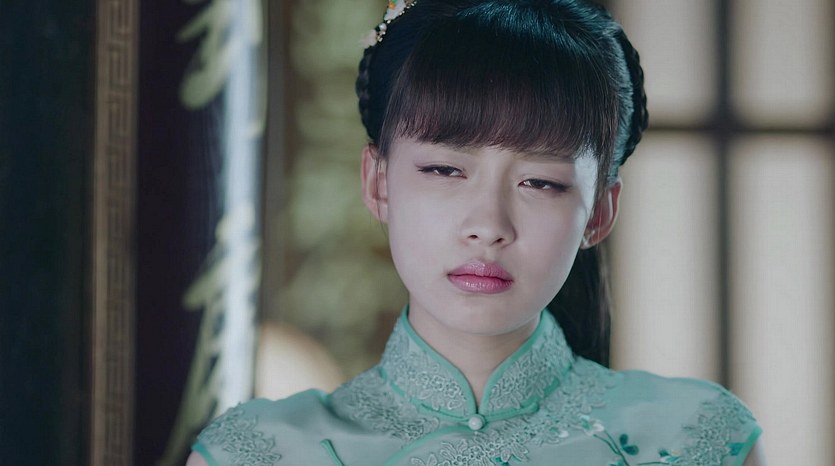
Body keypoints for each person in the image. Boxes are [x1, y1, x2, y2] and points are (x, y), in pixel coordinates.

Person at [187, 0, 765, 464]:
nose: (488, 226)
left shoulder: (699, 439)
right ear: (378, 183)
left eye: (541, 182)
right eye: (445, 170)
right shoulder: (255, 452)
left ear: (598, 213)